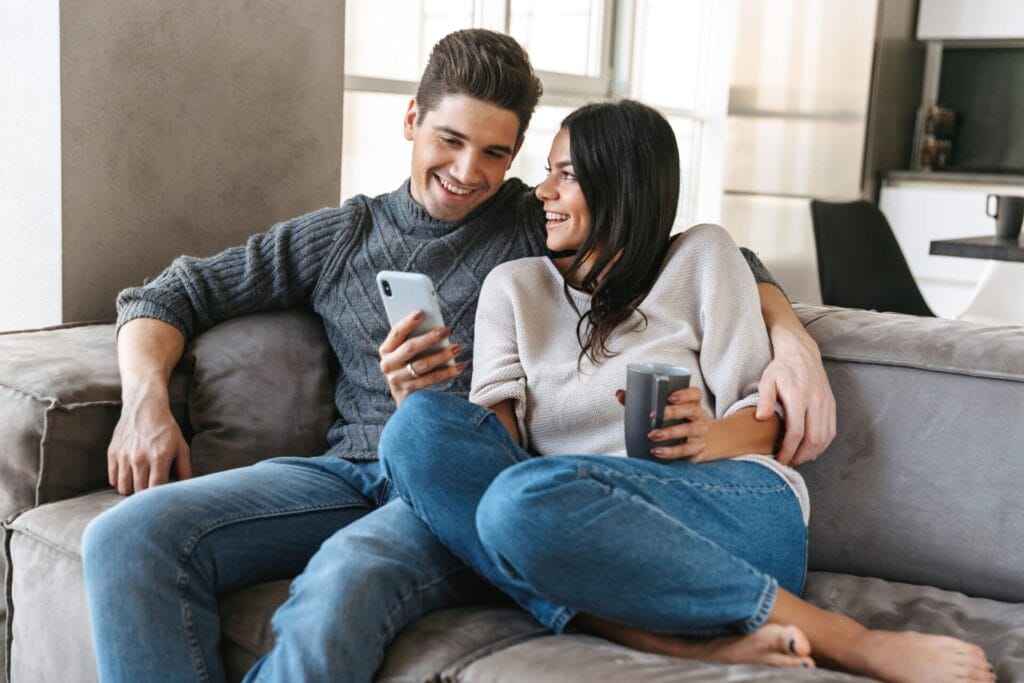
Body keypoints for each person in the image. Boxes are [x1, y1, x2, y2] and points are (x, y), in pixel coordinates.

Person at [81, 30, 834, 683]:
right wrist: (146, 405)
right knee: (126, 537)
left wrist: (791, 337)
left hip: (459, 486)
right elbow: (167, 294)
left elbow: (664, 243)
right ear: (412, 119)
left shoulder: (533, 219)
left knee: (339, 585)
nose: (470, 170)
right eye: (450, 139)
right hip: (347, 471)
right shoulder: (340, 235)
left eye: (497, 152)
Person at [378, 100, 995, 682]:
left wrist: (704, 436)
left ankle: (848, 639)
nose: (542, 192)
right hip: (576, 522)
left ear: (622, 187)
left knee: (520, 501)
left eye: (566, 175)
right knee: (420, 433)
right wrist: (422, 399)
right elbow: (499, 460)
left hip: (731, 506)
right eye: (547, 173)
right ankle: (668, 639)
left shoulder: (702, 257)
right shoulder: (512, 288)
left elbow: (768, 420)